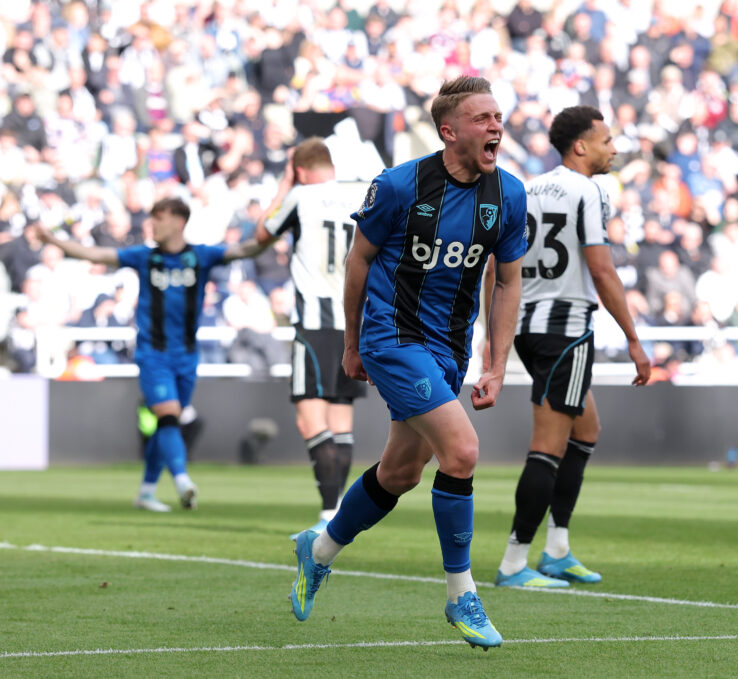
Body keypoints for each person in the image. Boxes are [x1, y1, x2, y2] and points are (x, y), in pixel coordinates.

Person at [288, 76, 528, 650]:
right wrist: (352, 342)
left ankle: (317, 550)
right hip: (392, 337)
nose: (495, 125)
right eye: (482, 118)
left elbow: (509, 280)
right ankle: (460, 595)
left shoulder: (509, 195)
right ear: (449, 131)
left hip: (448, 349)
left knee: (400, 474)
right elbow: (358, 263)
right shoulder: (399, 186)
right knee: (463, 451)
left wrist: (496, 361)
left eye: (498, 116)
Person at [494, 105, 651, 589]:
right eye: (606, 140)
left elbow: (500, 268)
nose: (615, 148)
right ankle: (514, 563)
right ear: (580, 146)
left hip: (528, 323)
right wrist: (634, 339)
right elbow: (601, 270)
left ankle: (557, 549)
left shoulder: (525, 189)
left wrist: (493, 346)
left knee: (587, 429)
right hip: (565, 326)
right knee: (548, 446)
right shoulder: (589, 191)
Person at [33, 197, 271, 511]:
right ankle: (183, 481)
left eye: (159, 218)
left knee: (167, 425)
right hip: (152, 355)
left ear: (178, 221)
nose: (152, 225)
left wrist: (276, 232)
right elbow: (95, 253)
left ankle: (146, 491)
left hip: (187, 356)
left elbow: (246, 249)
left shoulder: (201, 255)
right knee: (170, 417)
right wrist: (52, 240)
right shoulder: (144, 257)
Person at [253, 137, 368, 537]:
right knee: (341, 422)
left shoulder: (301, 195)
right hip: (355, 321)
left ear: (300, 169)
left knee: (310, 421)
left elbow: (262, 233)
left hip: (316, 321)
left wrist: (285, 183)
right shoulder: (360, 196)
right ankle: (337, 514)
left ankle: (327, 513)